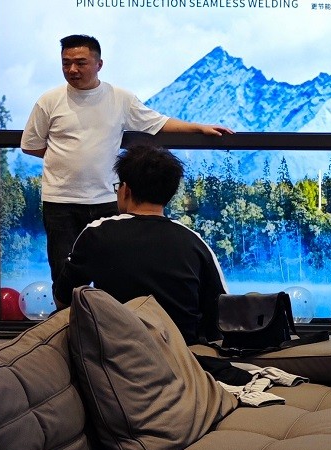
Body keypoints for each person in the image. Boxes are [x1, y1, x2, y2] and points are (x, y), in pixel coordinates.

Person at [21, 33, 232, 296]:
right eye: (66, 63)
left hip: (107, 199)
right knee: (63, 275)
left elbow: (157, 123)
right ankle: (71, 321)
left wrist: (198, 128)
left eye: (80, 62)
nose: (72, 69)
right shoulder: (49, 100)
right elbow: (31, 144)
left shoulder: (119, 98)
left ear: (99, 64)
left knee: (115, 271)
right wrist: (66, 158)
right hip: (60, 201)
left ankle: (112, 320)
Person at [53, 144, 226, 343]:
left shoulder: (97, 233)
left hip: (114, 354)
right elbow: (220, 313)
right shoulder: (194, 241)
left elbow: (63, 300)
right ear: (169, 194)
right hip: (181, 355)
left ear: (125, 190)